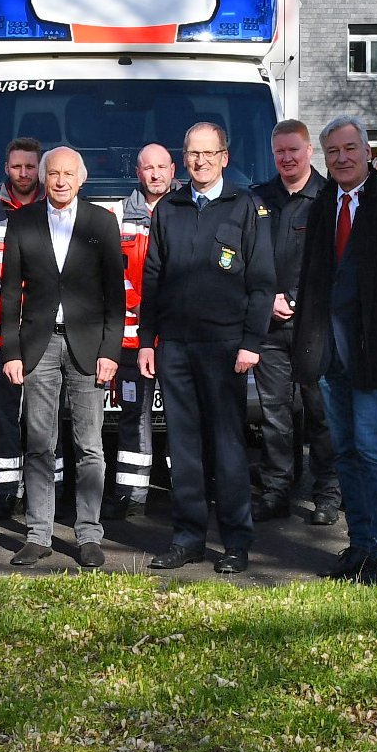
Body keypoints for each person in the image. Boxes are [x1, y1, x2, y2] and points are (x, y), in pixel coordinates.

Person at [139, 121, 276, 574]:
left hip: (225, 346)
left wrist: (251, 343)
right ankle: (188, 538)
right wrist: (147, 341)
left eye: (207, 153)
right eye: (192, 154)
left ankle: (236, 542)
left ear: (224, 157)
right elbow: (153, 280)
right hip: (176, 346)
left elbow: (261, 283)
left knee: (229, 448)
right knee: (184, 446)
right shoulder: (169, 208)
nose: (199, 161)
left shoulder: (246, 206)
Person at [293, 118, 377, 584]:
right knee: (344, 453)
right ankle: (360, 545)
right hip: (330, 355)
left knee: (375, 452)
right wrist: (306, 352)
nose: (342, 158)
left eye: (350, 149)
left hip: (376, 356)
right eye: (333, 151)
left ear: (367, 152)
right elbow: (312, 281)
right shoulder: (324, 201)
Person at [0, 147, 126, 568]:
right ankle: (39, 534)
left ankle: (88, 534)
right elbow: (11, 292)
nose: (59, 181)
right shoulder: (21, 221)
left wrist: (111, 351)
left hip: (88, 347)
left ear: (81, 178)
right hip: (38, 347)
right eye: (53, 173)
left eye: (68, 174)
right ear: (43, 177)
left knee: (89, 445)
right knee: (38, 444)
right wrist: (11, 351)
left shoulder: (102, 223)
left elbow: (115, 294)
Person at [255, 118, 339, 526]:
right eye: (280, 152)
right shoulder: (257, 200)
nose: (286, 158)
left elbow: (334, 265)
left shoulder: (329, 198)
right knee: (274, 415)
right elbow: (249, 259)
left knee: (321, 413)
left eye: (294, 150)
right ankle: (277, 490)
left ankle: (327, 493)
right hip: (269, 328)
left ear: (309, 152)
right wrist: (266, 299)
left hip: (315, 328)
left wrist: (298, 300)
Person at [0, 136, 44, 516]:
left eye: (30, 166)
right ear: (6, 168)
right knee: (4, 419)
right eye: (17, 166)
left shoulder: (55, 208)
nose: (23, 173)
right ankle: (5, 492)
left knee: (45, 423)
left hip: (44, 337)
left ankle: (48, 494)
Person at [107, 143, 176, 519]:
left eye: (161, 167)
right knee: (133, 415)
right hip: (132, 339)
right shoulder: (117, 214)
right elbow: (109, 273)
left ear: (172, 169)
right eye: (148, 168)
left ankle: (186, 492)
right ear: (138, 172)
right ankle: (131, 495)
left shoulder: (185, 208)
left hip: (177, 337)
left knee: (183, 416)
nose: (155, 174)